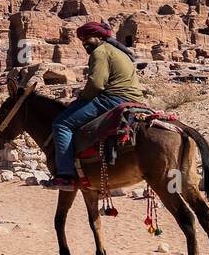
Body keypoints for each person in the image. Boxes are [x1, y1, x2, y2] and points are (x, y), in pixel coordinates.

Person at [45, 21, 146, 190]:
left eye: (87, 38)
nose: (84, 43)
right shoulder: (119, 52)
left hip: (113, 98)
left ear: (99, 36)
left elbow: (97, 85)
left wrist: (80, 99)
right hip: (134, 99)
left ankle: (65, 176)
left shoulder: (100, 52)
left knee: (62, 124)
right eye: (82, 40)